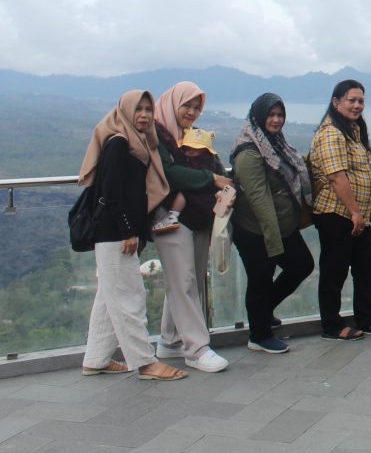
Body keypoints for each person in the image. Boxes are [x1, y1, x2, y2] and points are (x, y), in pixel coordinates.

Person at [79, 90, 187, 381]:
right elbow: (111, 193)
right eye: (138, 109)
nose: (143, 115)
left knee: (109, 296)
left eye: (148, 110)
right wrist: (128, 230)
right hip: (115, 232)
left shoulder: (138, 142)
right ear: (125, 111)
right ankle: (145, 363)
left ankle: (95, 359)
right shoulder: (119, 143)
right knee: (130, 297)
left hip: (119, 232)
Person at [152, 82, 231, 373]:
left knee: (190, 279)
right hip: (168, 215)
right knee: (184, 281)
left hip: (197, 215)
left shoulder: (188, 135)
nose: (192, 112)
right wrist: (211, 179)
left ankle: (170, 340)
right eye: (187, 105)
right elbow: (169, 172)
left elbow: (210, 164)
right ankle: (196, 349)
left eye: (197, 107)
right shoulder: (157, 135)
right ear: (172, 103)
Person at [229, 93, 316, 354]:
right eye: (271, 115)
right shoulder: (249, 152)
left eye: (280, 115)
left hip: (281, 226)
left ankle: (263, 311)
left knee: (302, 265)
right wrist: (273, 243)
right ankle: (259, 335)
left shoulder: (274, 142)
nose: (276, 120)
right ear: (258, 116)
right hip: (256, 230)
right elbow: (260, 200)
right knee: (260, 278)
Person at [309, 79, 371, 341]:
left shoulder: (353, 130)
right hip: (336, 213)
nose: (357, 105)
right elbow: (336, 176)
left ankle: (366, 318)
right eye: (351, 100)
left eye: (361, 101)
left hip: (357, 215)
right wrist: (355, 212)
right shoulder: (331, 133)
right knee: (335, 270)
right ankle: (332, 325)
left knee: (365, 266)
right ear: (336, 102)